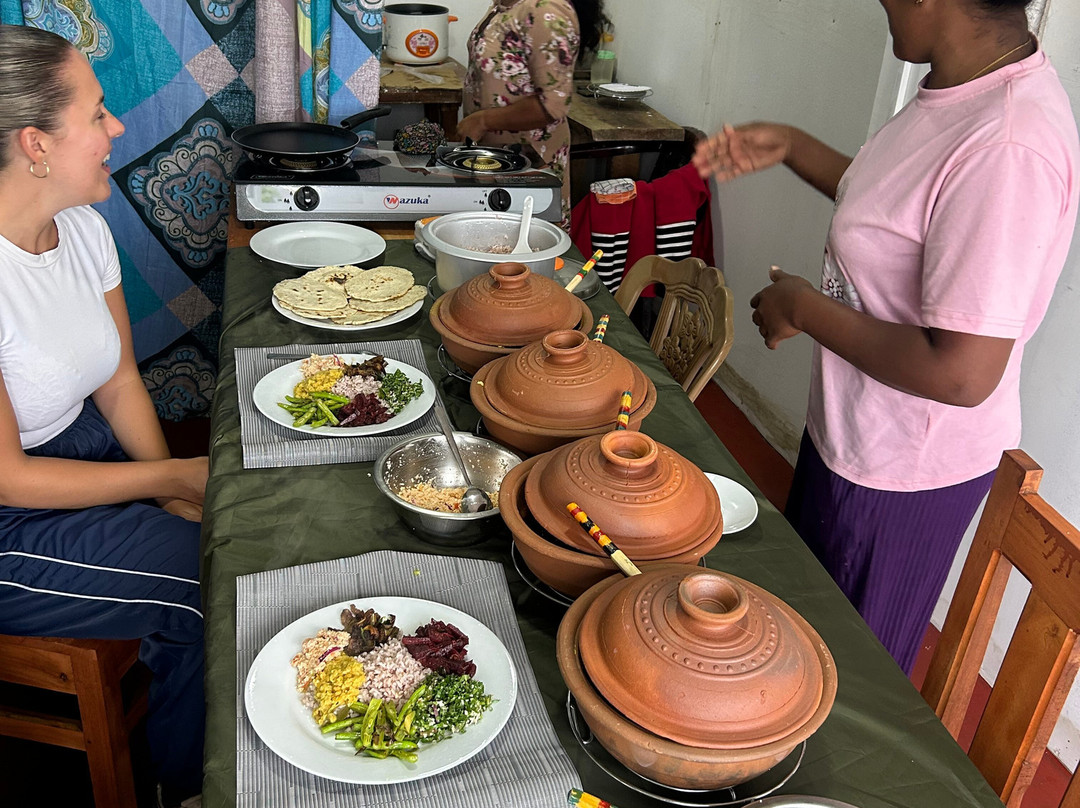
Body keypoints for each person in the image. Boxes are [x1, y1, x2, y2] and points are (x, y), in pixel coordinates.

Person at [693, 0, 1079, 674]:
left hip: (901, 474)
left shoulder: (1008, 145)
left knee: (842, 682)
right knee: (795, 644)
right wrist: (790, 145)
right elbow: (894, 209)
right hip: (852, 434)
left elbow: (963, 374)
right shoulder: (958, 88)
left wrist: (804, 309)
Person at [0, 25, 208, 807]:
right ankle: (191, 789)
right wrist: (176, 474)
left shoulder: (82, 230)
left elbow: (120, 379)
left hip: (83, 459)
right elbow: (11, 476)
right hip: (10, 518)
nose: (117, 128)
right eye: (97, 114)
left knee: (236, 526)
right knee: (207, 576)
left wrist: (165, 490)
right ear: (36, 143)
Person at [458, 0, 607, 230]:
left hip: (531, 164)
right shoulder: (503, 6)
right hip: (497, 162)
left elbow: (553, 104)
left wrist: (483, 120)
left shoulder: (544, 10)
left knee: (526, 249)